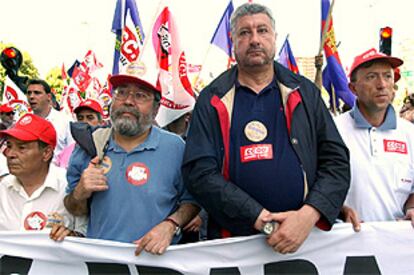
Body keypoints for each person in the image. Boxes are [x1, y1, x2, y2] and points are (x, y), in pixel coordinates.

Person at [182, 2, 350, 254]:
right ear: (233, 41)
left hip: (306, 241)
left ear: (274, 37)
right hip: (234, 244)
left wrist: (308, 215)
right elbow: (200, 172)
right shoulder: (212, 98)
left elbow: (336, 161)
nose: (254, 39)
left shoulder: (305, 93)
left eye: (262, 31)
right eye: (244, 32)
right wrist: (260, 218)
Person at [64, 68, 199, 255]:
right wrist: (80, 192)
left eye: (140, 95)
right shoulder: (89, 145)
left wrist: (171, 225)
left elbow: (192, 202)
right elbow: (74, 208)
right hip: (101, 263)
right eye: (121, 92)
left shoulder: (176, 148)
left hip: (156, 263)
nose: (128, 101)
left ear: (156, 108)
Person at [335, 48, 414, 231]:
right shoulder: (333, 130)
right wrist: (340, 210)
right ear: (353, 88)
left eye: (387, 76)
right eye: (371, 77)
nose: (382, 84)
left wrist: (411, 207)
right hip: (346, 242)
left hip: (396, 244)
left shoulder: (409, 133)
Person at [0, 113, 86, 240]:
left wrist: (72, 237)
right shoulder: (2, 189)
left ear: (46, 153)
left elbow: (86, 234)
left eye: (22, 148)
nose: (11, 154)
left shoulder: (70, 188)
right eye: (9, 146)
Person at [26, 79, 74, 164]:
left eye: (37, 93)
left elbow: (72, 152)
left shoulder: (66, 121)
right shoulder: (23, 122)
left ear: (48, 97)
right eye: (29, 93)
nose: (31, 96)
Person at [56, 98, 105, 169]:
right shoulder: (68, 151)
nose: (84, 122)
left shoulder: (108, 147)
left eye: (90, 118)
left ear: (101, 123)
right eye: (80, 118)